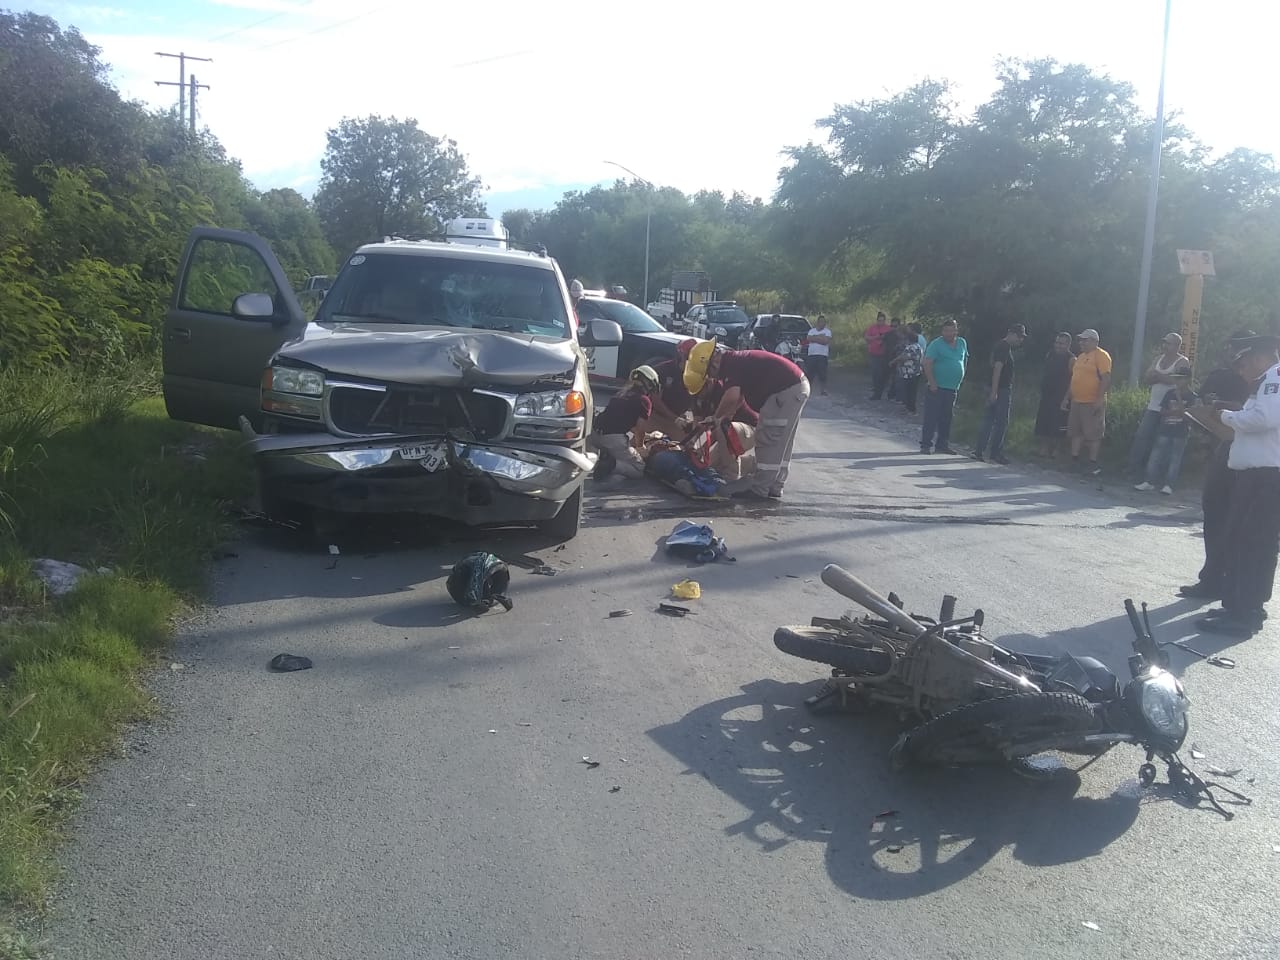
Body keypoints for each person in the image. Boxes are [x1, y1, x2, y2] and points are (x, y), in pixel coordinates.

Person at [1193, 333, 1280, 637]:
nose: (1241, 370)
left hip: (1266, 476)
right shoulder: (1265, 382)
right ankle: (1237, 604)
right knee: (1244, 540)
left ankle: (1247, 612)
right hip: (1256, 474)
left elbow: (1264, 419)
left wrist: (1225, 415)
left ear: (1258, 357)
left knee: (1256, 543)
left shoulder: (1274, 378)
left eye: (1243, 363)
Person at [1178, 331, 1256, 601]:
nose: (1235, 356)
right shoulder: (1223, 374)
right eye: (1232, 349)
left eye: (1239, 350)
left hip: (1250, 454)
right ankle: (1211, 578)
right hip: (1223, 446)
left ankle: (1229, 583)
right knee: (1213, 510)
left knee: (1236, 520)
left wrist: (1226, 407)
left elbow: (1256, 412)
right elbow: (1200, 400)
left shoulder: (1264, 379)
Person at [684, 340, 809, 501]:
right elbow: (739, 397)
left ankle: (760, 490)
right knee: (783, 441)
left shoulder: (730, 365)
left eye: (709, 373)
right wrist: (725, 415)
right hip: (795, 386)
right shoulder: (737, 361)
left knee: (769, 440)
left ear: (712, 362)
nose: (711, 377)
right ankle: (775, 486)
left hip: (784, 391)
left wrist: (715, 418)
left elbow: (732, 396)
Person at [1127, 332, 1191, 479]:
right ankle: (1133, 469)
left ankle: (1159, 475)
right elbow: (1147, 379)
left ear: (1176, 345)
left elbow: (1176, 381)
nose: (1165, 345)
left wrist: (1158, 376)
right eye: (1164, 342)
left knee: (1163, 442)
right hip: (1153, 405)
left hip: (1170, 408)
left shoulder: (1182, 362)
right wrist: (1161, 377)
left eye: (1168, 343)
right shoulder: (1158, 359)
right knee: (1142, 437)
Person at [587, 365, 660, 480]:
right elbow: (640, 429)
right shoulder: (644, 400)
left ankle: (607, 458)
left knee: (617, 449)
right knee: (639, 469)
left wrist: (647, 436)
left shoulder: (621, 393)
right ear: (649, 384)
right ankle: (612, 465)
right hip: (613, 439)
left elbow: (621, 419)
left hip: (594, 434)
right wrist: (641, 447)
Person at [972, 324, 1028, 464]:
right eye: (1020, 337)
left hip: (994, 388)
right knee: (1001, 422)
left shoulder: (1000, 346)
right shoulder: (1003, 347)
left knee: (989, 419)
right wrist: (994, 391)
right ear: (1013, 334)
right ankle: (995, 453)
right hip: (1001, 389)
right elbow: (997, 369)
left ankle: (979, 450)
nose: (1021, 340)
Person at [1061, 328, 1112, 475]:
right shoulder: (1081, 357)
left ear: (1095, 341)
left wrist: (1099, 398)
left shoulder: (1101, 356)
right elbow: (1074, 380)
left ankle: (1093, 463)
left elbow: (1106, 378)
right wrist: (1066, 398)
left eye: (1085, 340)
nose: (1081, 342)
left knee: (1093, 434)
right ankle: (1074, 460)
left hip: (1092, 401)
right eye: (1081, 340)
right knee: (1076, 432)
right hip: (1077, 401)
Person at [920, 319, 968, 454]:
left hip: (952, 387)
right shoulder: (936, 344)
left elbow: (964, 359)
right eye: (946, 330)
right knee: (931, 416)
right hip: (937, 386)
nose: (948, 333)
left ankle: (942, 444)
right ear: (942, 331)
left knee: (947, 417)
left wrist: (962, 374)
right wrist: (932, 382)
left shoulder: (962, 343)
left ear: (956, 331)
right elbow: (927, 363)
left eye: (951, 330)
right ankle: (925, 444)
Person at [1134, 384, 1191, 494]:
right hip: (1165, 429)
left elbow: (1187, 416)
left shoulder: (1192, 396)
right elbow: (1162, 411)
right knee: (1155, 456)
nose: (1179, 381)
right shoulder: (1169, 393)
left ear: (1188, 379)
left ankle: (1169, 485)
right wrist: (1176, 412)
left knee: (1174, 460)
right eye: (1177, 378)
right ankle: (1149, 482)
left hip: (1180, 432)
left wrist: (1179, 398)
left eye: (1182, 378)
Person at [642, 339, 698, 439]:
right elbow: (655, 400)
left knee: (685, 443)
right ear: (681, 355)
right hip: (653, 415)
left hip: (676, 417)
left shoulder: (697, 374)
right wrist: (675, 419)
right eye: (688, 357)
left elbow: (697, 399)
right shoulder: (663, 370)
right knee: (645, 442)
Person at [1035, 333, 1076, 458]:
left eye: (1061, 343)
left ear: (1068, 344)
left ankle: (1057, 450)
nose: (1058, 345)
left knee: (1059, 423)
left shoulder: (1072, 359)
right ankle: (1044, 448)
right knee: (1044, 420)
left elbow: (1073, 380)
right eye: (1057, 342)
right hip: (1047, 393)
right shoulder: (1050, 354)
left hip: (1061, 395)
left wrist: (1066, 398)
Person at [891, 322, 924, 414]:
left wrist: (894, 361)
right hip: (916, 372)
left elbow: (904, 357)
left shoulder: (911, 348)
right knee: (912, 391)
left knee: (909, 392)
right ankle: (909, 408)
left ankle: (910, 409)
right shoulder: (919, 347)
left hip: (909, 373)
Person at [864, 311, 893, 400]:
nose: (880, 322)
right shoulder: (872, 328)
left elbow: (892, 340)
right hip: (874, 354)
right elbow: (866, 337)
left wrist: (884, 339)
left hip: (884, 355)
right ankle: (877, 392)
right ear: (877, 320)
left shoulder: (888, 329)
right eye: (879, 320)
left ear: (885, 321)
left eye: (882, 321)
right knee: (875, 374)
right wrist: (876, 337)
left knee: (883, 375)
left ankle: (881, 391)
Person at [805, 314, 832, 396]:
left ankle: (823, 390)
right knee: (810, 373)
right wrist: (820, 337)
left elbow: (825, 341)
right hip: (812, 355)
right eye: (821, 322)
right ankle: (807, 390)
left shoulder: (828, 331)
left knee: (822, 374)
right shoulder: (811, 331)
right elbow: (809, 338)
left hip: (822, 355)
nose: (823, 323)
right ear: (818, 322)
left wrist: (814, 338)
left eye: (824, 322)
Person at [884, 318, 905, 401]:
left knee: (897, 378)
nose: (893, 328)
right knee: (892, 378)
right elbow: (884, 344)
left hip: (899, 360)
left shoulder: (903, 336)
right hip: (889, 358)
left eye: (895, 326)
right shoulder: (888, 334)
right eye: (891, 326)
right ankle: (892, 394)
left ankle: (895, 395)